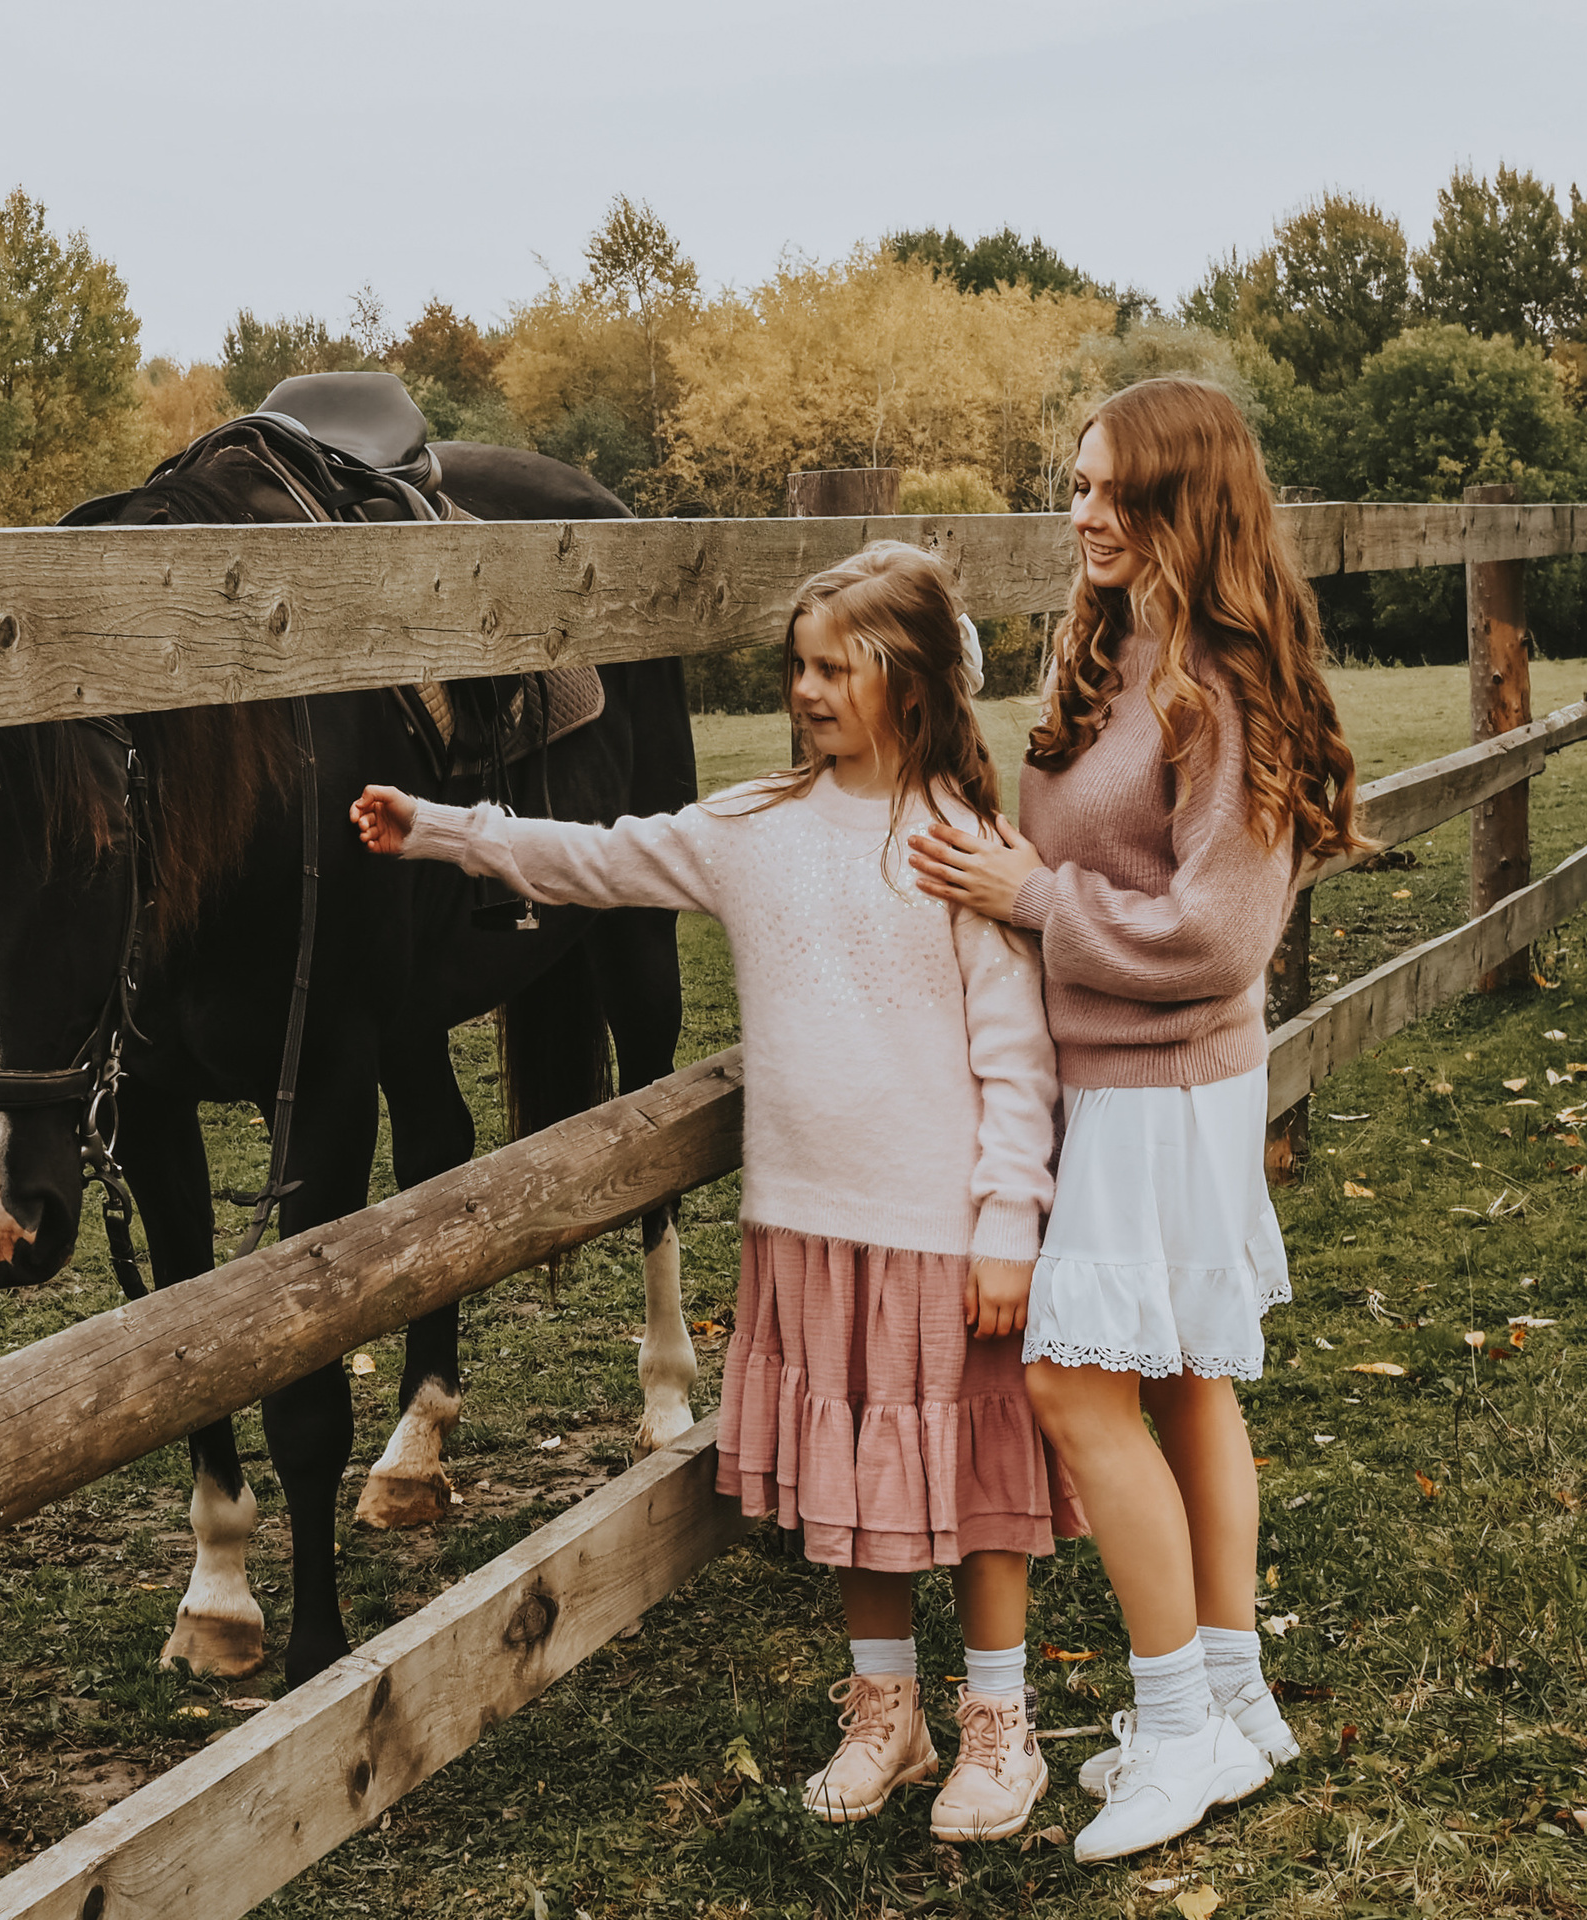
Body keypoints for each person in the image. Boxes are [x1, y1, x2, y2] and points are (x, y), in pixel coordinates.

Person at [351, 543, 1079, 1840]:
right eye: (796, 666)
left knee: (970, 1495)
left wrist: (1008, 1224)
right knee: (858, 1500)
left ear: (909, 687)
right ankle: (886, 1715)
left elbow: (1016, 1058)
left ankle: (999, 1730)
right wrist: (441, 831)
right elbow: (599, 857)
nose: (805, 690)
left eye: (834, 670)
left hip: (937, 1239)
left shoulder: (961, 850)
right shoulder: (755, 832)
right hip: (809, 1234)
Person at [907, 377, 1362, 1862]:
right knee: (1186, 1385)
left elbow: (1219, 934)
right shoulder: (1123, 648)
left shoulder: (1218, 680)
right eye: (1080, 484)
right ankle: (1230, 1697)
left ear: (1191, 504)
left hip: (1160, 1083)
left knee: (1074, 1389)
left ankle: (1172, 1734)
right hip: (1150, 1077)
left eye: (1120, 492)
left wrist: (1028, 898)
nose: (1086, 512)